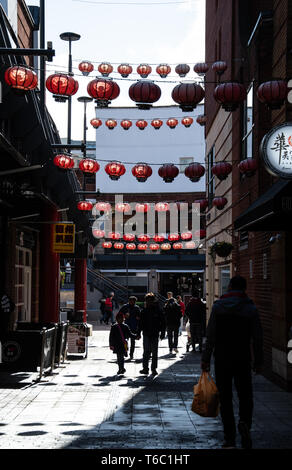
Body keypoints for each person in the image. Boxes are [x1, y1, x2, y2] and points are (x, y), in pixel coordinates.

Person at [201, 275, 263, 449]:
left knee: (225, 397)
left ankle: (229, 437)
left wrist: (205, 358)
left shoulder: (219, 306)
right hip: (243, 358)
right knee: (245, 395)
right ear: (244, 289)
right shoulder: (250, 308)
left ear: (229, 287)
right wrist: (258, 360)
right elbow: (258, 337)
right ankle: (245, 422)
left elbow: (211, 335)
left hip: (222, 358)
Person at [137, 293, 166, 376]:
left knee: (153, 352)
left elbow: (163, 322)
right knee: (146, 352)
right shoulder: (144, 311)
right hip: (146, 334)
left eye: (150, 301)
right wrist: (138, 332)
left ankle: (153, 369)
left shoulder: (157, 310)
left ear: (153, 301)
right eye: (147, 301)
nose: (148, 302)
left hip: (154, 334)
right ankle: (146, 368)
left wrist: (163, 332)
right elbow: (140, 323)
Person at [119, 296, 141, 360]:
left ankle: (131, 354)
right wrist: (124, 316)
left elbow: (139, 317)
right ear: (129, 301)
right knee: (125, 340)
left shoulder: (137, 308)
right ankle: (125, 350)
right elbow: (119, 315)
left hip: (134, 327)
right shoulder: (125, 307)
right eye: (131, 301)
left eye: (133, 301)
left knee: (133, 341)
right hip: (125, 326)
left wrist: (138, 318)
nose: (132, 302)